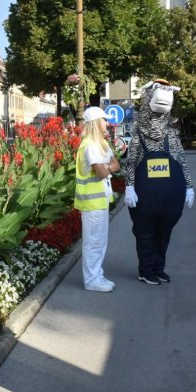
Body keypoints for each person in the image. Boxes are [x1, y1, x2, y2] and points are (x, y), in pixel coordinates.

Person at [123, 80, 194, 285]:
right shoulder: (138, 136)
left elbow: (181, 160)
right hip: (144, 199)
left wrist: (189, 186)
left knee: (163, 234)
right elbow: (131, 163)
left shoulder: (171, 135)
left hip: (169, 200)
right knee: (145, 234)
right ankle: (145, 270)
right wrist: (129, 186)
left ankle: (158, 267)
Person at [74, 106, 120, 292]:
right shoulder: (90, 146)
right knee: (93, 243)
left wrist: (108, 166)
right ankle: (92, 280)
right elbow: (102, 172)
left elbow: (116, 163)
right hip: (91, 203)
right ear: (95, 123)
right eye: (104, 120)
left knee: (99, 242)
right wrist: (108, 167)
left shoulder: (101, 144)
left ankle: (97, 276)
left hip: (99, 202)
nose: (107, 123)